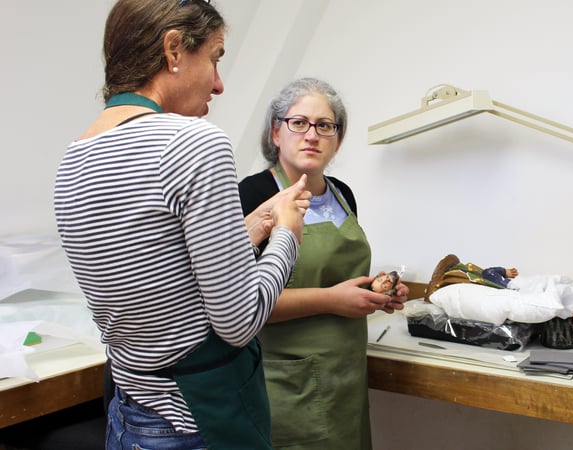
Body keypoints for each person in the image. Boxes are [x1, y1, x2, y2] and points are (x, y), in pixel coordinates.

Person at [53, 1, 310, 448]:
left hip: (130, 414)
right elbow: (240, 321)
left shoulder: (73, 160)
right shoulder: (195, 142)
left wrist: (252, 225)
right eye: (214, 58)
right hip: (196, 422)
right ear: (174, 49)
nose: (219, 83)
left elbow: (158, 272)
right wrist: (287, 232)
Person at [238, 77, 410, 449]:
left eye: (325, 126)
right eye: (298, 123)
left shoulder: (342, 194)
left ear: (338, 138)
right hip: (285, 383)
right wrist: (333, 300)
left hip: (345, 376)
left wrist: (377, 292)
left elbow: (344, 280)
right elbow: (241, 306)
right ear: (275, 132)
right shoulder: (253, 195)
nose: (311, 135)